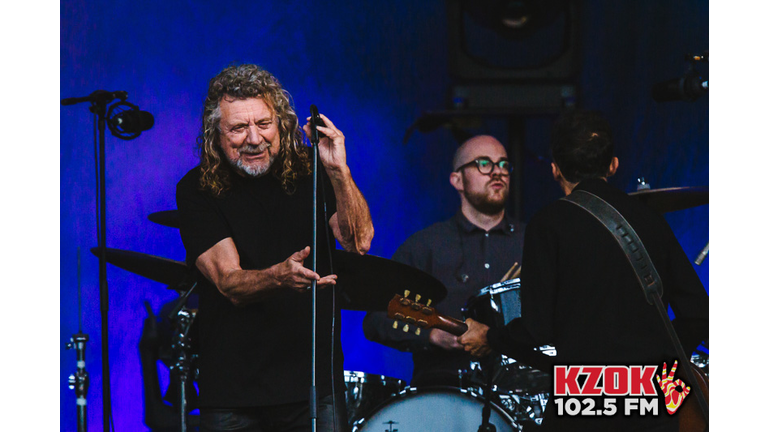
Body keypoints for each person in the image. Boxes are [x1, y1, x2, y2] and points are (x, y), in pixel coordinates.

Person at [458, 110, 709, 431]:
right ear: (613, 165)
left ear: (555, 169)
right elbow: (699, 313)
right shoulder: (651, 220)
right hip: (655, 395)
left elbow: (538, 329)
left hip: (583, 396)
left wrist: (491, 336)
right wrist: (661, 369)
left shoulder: (548, 224)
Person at [176, 64, 374, 432]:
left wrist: (338, 171)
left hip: (315, 385)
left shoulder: (312, 171)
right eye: (238, 128)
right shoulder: (197, 188)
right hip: (234, 393)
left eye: (263, 124)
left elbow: (357, 240)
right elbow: (229, 282)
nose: (254, 138)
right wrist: (280, 276)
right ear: (215, 135)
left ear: (281, 124)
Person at [363, 135, 525, 387]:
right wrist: (431, 336)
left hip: (521, 394)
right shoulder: (426, 244)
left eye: (504, 165)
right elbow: (376, 319)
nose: (497, 172)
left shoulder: (532, 242)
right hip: (443, 391)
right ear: (456, 180)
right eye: (484, 163)